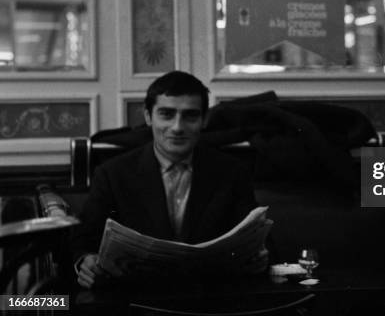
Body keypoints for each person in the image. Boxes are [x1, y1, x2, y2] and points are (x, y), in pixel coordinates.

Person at [73, 71, 266, 289]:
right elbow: (84, 240)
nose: (177, 127)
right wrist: (85, 261)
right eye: (166, 114)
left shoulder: (232, 172)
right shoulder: (113, 174)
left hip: (210, 297)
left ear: (204, 120)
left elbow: (255, 237)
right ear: (148, 116)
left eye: (190, 116)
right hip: (137, 299)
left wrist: (259, 257)